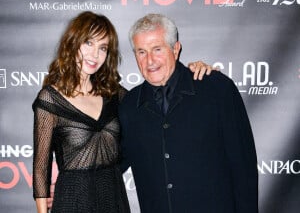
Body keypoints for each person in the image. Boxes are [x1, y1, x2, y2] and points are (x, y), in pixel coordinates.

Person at [32, 11, 214, 213]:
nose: (95, 55)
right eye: (89, 43)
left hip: (113, 198)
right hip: (73, 200)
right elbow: (41, 168)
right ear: (73, 43)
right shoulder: (50, 98)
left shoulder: (115, 95)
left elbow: (155, 98)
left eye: (103, 48)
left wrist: (192, 71)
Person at [119, 13, 258, 213]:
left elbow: (243, 170)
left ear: (175, 49)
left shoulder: (217, 90)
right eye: (141, 52)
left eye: (157, 49)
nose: (150, 60)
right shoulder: (129, 105)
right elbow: (110, 165)